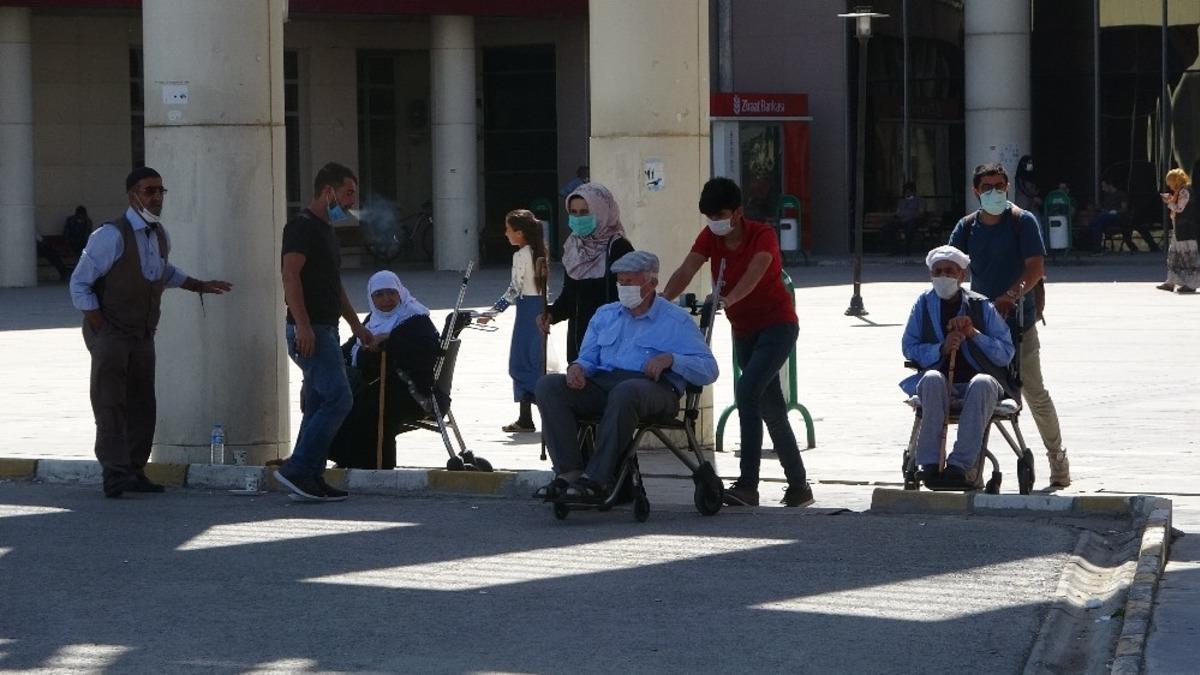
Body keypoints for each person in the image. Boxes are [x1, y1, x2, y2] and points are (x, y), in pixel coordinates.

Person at [69, 166, 233, 498]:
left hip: (142, 333)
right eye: (149, 191)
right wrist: (102, 328)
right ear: (133, 196)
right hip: (112, 334)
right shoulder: (110, 236)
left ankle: (134, 469)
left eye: (160, 191)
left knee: (143, 403)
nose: (157, 197)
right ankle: (114, 474)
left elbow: (162, 272)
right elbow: (79, 283)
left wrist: (199, 285)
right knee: (110, 403)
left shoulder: (159, 235)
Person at [663, 177, 814, 507]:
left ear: (738, 213)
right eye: (709, 217)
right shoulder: (709, 237)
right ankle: (799, 486)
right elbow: (687, 268)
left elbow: (757, 271)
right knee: (771, 408)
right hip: (744, 331)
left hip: (778, 327)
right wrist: (660, 302)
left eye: (720, 215)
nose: (714, 223)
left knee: (747, 392)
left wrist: (726, 299)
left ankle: (748, 484)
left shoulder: (763, 235)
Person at [533, 250, 718, 502]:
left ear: (651, 284)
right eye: (620, 282)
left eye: (629, 282)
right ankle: (569, 473)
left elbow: (709, 369)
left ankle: (598, 479)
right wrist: (577, 368)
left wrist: (671, 359)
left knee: (626, 391)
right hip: (604, 384)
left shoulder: (675, 320)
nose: (623, 288)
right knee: (548, 386)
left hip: (654, 388)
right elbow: (588, 358)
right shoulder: (606, 314)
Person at [949, 162, 1070, 488]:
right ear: (976, 191)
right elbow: (952, 266)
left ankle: (1057, 456)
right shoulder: (966, 227)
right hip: (980, 327)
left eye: (1000, 186)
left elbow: (1035, 268)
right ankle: (970, 464)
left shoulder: (1022, 221)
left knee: (1033, 390)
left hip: (1018, 324)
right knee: (977, 392)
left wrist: (1010, 295)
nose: (994, 192)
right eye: (987, 187)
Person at [277, 162, 378, 502]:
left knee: (320, 400)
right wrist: (303, 325)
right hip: (311, 331)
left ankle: (310, 475)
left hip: (325, 328)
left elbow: (334, 286)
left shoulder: (325, 231)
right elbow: (290, 278)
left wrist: (355, 325)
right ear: (328, 191)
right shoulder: (301, 228)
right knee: (339, 398)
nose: (352, 201)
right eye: (348, 193)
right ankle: (299, 468)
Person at [901, 246, 1016, 484]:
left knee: (982, 382)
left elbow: (1005, 353)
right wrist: (941, 348)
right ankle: (930, 464)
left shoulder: (981, 306)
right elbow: (909, 347)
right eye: (938, 271)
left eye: (949, 271)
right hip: (942, 385)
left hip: (980, 387)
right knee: (931, 378)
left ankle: (960, 465)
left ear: (962, 275)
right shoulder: (923, 305)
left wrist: (973, 334)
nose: (943, 277)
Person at [327, 271, 443, 470]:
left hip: (411, 392)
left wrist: (390, 340)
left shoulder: (415, 318)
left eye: (391, 293)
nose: (386, 300)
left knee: (367, 407)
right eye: (379, 295)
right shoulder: (373, 319)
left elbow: (425, 352)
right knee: (338, 398)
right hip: (379, 386)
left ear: (400, 293)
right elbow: (351, 346)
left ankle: (373, 465)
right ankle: (344, 459)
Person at [537, 181, 633, 362]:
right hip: (579, 347)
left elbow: (631, 300)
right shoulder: (574, 247)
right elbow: (569, 296)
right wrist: (551, 314)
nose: (578, 218)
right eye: (573, 212)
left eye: (584, 212)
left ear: (601, 212)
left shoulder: (619, 248)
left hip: (611, 347)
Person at [480, 209, 550, 433]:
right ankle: (530, 416)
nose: (506, 234)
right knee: (535, 362)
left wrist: (492, 312)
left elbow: (513, 289)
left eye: (508, 229)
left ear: (519, 233)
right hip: (538, 307)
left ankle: (533, 415)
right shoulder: (539, 252)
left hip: (527, 311)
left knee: (520, 364)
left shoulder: (520, 255)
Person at [1157, 168, 1199, 293]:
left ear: (1176, 181)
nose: (1169, 185)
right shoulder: (1180, 191)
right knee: (1174, 256)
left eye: (1170, 182)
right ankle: (1171, 281)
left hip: (1186, 230)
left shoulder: (1185, 191)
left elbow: (1180, 208)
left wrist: (1169, 202)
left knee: (1188, 257)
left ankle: (1192, 284)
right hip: (1180, 230)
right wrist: (1171, 199)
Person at [880, 181, 925, 255]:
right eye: (906, 191)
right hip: (901, 220)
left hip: (913, 220)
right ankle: (894, 248)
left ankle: (907, 249)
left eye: (909, 191)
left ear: (913, 191)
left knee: (910, 228)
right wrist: (897, 216)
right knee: (887, 228)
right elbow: (898, 212)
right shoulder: (902, 201)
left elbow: (920, 212)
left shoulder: (919, 201)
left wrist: (911, 217)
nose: (907, 193)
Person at [1087, 179, 1127, 252]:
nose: (1103, 188)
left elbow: (1124, 209)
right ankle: (1097, 248)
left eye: (1104, 186)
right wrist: (1095, 208)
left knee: (1099, 219)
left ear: (1110, 186)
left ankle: (1091, 226)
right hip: (1105, 218)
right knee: (1098, 224)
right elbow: (1103, 208)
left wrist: (1115, 211)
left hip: (1117, 217)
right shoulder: (1107, 197)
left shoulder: (1121, 194)